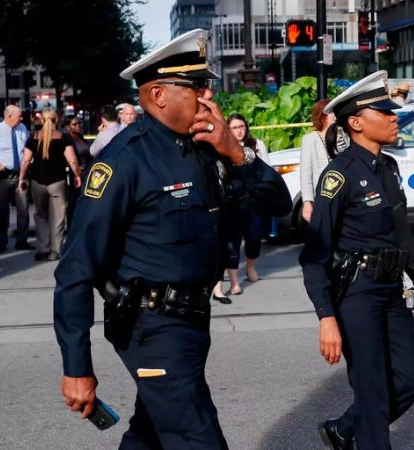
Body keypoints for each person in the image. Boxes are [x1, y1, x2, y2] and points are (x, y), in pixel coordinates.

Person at [53, 29, 291, 449]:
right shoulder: (123, 161)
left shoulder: (208, 147)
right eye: (195, 86)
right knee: (197, 436)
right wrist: (77, 366)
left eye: (206, 85)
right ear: (159, 95)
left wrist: (236, 152)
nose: (206, 96)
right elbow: (75, 268)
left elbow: (277, 204)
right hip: (152, 326)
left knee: (151, 434)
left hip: (193, 318)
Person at [299, 70, 414, 449]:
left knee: (411, 379)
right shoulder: (338, 176)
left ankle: (343, 429)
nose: (395, 118)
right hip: (356, 293)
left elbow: (401, 233)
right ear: (357, 123)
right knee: (373, 391)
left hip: (391, 290)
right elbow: (314, 254)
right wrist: (326, 316)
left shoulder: (388, 167)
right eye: (385, 112)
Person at [211, 114, 268, 302]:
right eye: (234, 127)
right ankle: (234, 281)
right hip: (232, 201)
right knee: (232, 242)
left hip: (254, 201)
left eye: (241, 126)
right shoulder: (223, 147)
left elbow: (267, 170)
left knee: (254, 237)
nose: (239, 130)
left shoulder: (257, 145)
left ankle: (251, 265)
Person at [18, 108, 81, 262]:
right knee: (58, 217)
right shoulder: (63, 137)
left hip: (37, 181)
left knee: (40, 215)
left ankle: (42, 248)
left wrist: (21, 177)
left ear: (41, 120)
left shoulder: (33, 137)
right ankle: (56, 250)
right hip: (58, 181)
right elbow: (72, 159)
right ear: (56, 120)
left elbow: (26, 160)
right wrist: (77, 175)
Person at [0, 105, 32, 254]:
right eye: (19, 116)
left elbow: (26, 148)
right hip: (2, 175)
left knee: (23, 208)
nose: (21, 118)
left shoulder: (22, 128)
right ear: (9, 116)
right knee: (2, 210)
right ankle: (1, 242)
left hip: (20, 173)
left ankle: (22, 240)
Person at [299, 99, 335, 223]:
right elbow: (306, 174)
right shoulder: (309, 139)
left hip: (341, 194)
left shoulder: (341, 137)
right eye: (331, 112)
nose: (334, 116)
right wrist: (307, 202)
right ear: (322, 116)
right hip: (322, 195)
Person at [64, 115, 91, 226]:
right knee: (73, 202)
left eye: (79, 123)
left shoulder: (80, 137)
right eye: (74, 124)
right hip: (74, 174)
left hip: (86, 172)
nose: (78, 126)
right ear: (68, 127)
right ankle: (72, 226)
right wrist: (75, 169)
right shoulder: (66, 138)